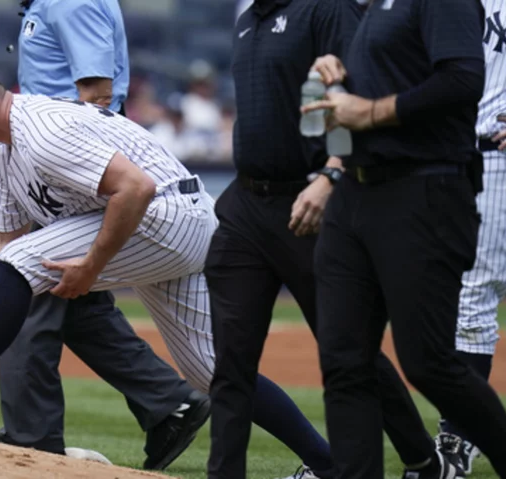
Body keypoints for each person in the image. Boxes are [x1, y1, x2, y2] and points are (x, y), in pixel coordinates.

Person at [0, 55, 218, 470]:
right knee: (212, 372)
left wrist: (90, 265)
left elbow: (136, 187)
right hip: (153, 215)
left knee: (26, 267)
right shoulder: (6, 153)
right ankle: (312, 458)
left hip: (168, 213)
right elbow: (2, 238)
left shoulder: (43, 131)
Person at [204, 1, 459, 479]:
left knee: (347, 349)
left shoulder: (325, 10)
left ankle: (422, 458)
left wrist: (332, 174)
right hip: (245, 204)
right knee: (230, 361)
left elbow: (363, 93)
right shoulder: (246, 22)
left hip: (313, 200)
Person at [0, 0, 207, 471]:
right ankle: (167, 401)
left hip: (69, 162)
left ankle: (31, 438)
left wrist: (67, 181)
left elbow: (98, 94)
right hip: (52, 157)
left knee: (30, 284)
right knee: (75, 298)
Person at [300, 0, 506, 476]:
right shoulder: (375, 8)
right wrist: (338, 81)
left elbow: (461, 80)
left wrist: (369, 110)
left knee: (429, 362)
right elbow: (389, 82)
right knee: (345, 361)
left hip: (424, 189)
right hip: (356, 190)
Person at [437, 0, 506, 474]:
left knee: (472, 294)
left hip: (494, 155)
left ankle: (461, 435)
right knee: (462, 295)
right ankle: (462, 432)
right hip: (455, 157)